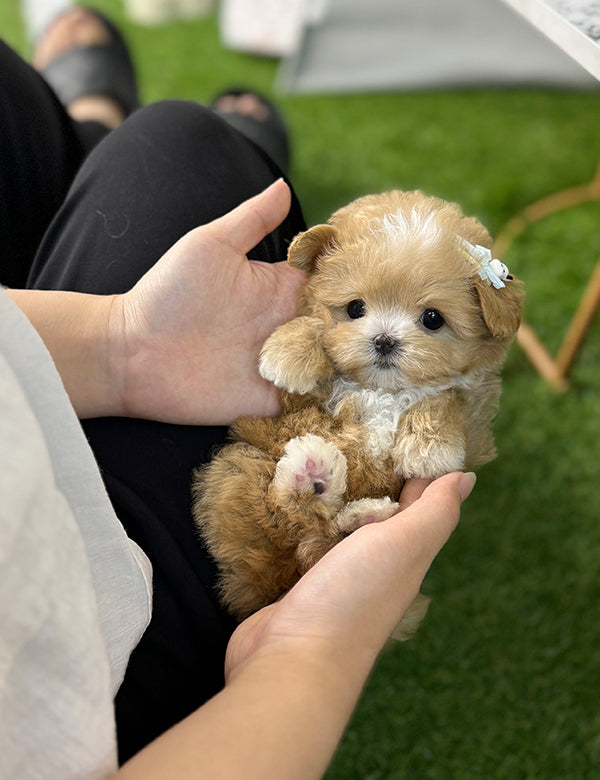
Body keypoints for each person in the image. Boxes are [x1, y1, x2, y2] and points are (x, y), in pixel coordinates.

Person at [0, 7, 476, 778]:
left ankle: (85, 128)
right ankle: (96, 128)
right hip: (78, 633)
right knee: (183, 151)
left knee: (19, 106)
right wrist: (306, 651)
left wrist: (117, 344)